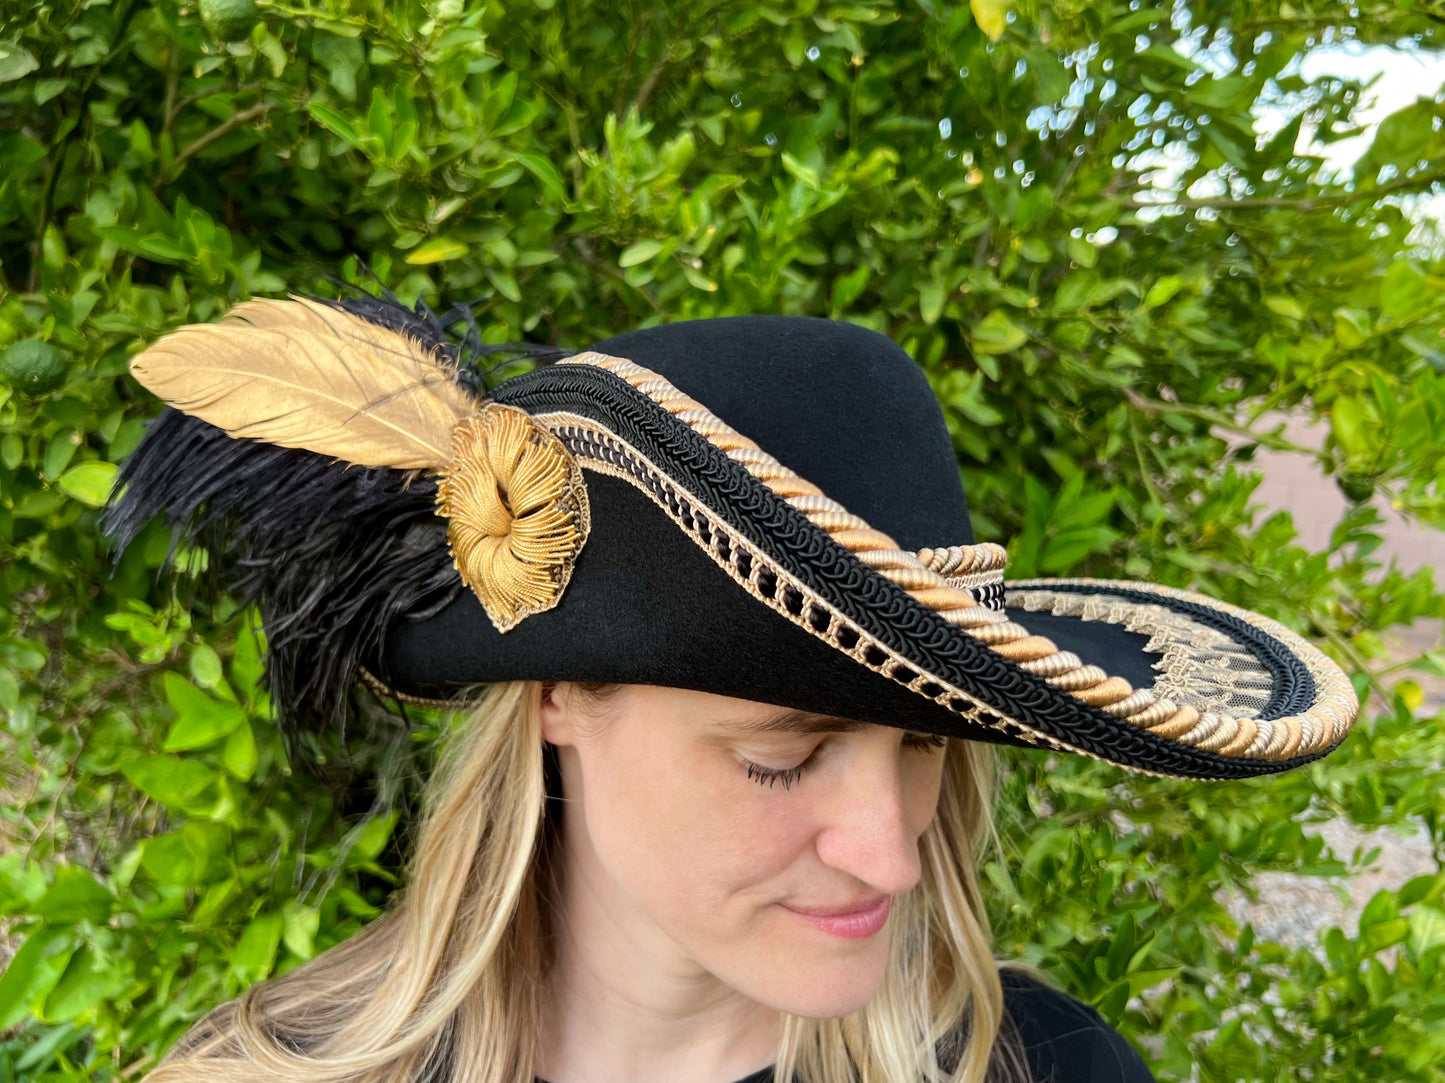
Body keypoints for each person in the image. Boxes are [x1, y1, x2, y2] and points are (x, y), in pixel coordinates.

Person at [101, 289, 1359, 1083]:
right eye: (781, 751)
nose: (889, 857)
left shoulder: (1043, 1071)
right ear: (557, 700)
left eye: (920, 745)